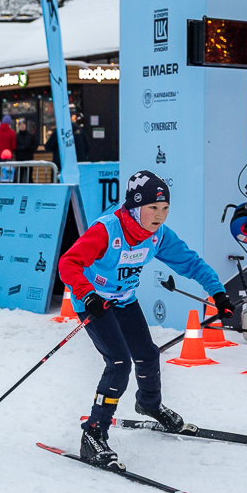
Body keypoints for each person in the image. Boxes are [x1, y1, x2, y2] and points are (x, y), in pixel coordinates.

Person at [58, 170, 234, 468]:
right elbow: (69, 263)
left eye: (165, 209)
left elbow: (190, 263)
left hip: (124, 300)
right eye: (153, 207)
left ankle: (149, 405)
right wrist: (88, 294)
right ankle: (94, 431)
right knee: (118, 362)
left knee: (147, 355)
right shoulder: (107, 230)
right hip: (94, 301)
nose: (159, 215)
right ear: (136, 207)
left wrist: (218, 293)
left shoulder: (158, 236)